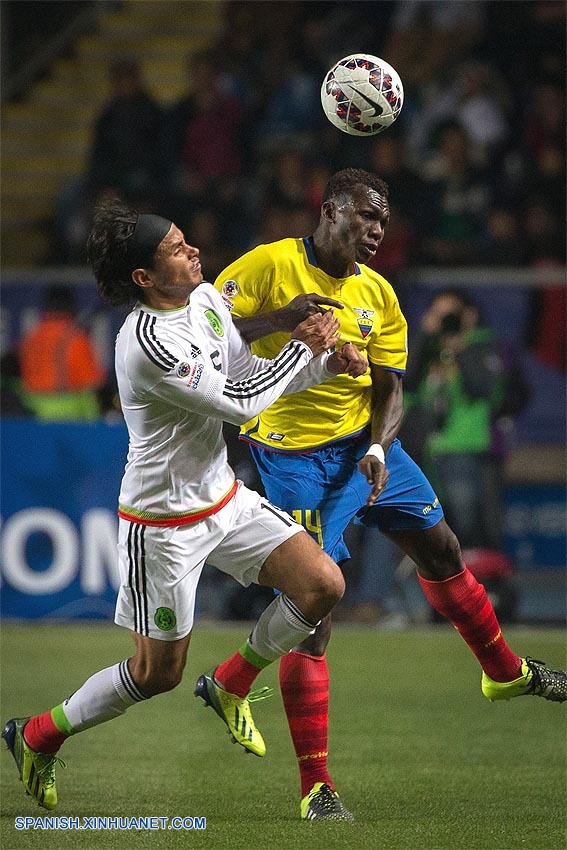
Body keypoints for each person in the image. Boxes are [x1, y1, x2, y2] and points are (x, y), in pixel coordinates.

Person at [214, 167, 567, 821]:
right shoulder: (266, 266)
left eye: (383, 222)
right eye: (365, 217)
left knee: (441, 548)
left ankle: (500, 671)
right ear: (327, 211)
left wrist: (379, 446)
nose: (376, 232)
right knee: (313, 619)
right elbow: (204, 339)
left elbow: (390, 387)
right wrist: (283, 320)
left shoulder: (379, 293)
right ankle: (315, 787)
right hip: (293, 462)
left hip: (366, 449)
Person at [2, 199, 370, 812]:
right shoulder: (147, 341)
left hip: (223, 499)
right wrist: (303, 346)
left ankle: (233, 681)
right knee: (156, 675)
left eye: (184, 239)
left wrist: (324, 360)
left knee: (321, 585)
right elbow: (241, 399)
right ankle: (38, 734)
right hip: (163, 525)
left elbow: (248, 363)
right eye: (176, 248)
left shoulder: (201, 300)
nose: (194, 250)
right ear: (144, 277)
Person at [18, 284, 106, 420]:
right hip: (67, 415)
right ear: (72, 306)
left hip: (30, 411)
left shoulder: (31, 338)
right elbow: (91, 383)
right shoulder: (75, 338)